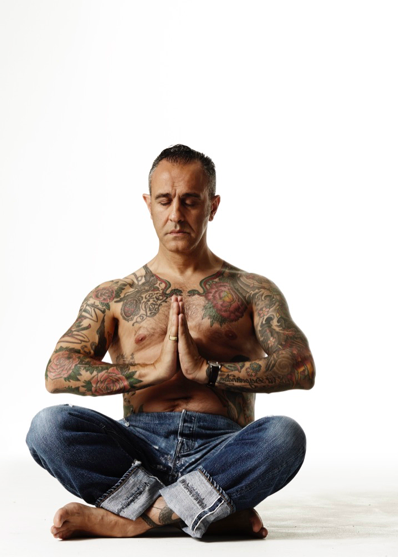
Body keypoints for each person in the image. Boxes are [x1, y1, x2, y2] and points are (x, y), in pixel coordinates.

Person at [26, 144, 315, 541]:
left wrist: (208, 372)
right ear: (149, 205)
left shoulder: (252, 290)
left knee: (285, 436)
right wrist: (151, 371)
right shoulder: (115, 295)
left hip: (221, 449)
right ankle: (203, 513)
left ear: (212, 206)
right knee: (48, 428)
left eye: (190, 201)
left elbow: (300, 365)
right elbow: (57, 372)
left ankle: (134, 520)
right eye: (164, 201)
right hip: (137, 449)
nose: (176, 214)